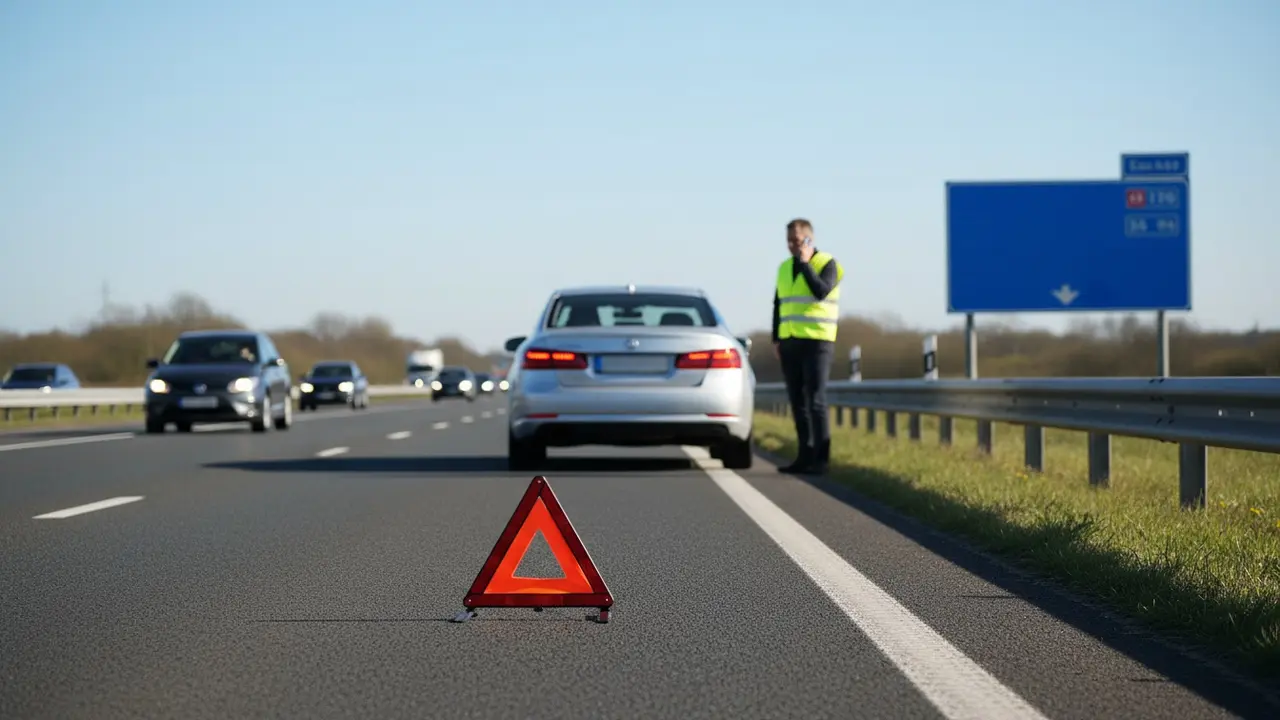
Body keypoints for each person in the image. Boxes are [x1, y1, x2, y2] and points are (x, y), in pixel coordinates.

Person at [772, 218, 844, 474]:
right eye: (789, 240)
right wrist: (776, 339)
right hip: (790, 341)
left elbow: (821, 291)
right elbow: (778, 304)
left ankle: (821, 460)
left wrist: (805, 264)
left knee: (815, 400)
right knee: (797, 401)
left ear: (808, 239)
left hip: (817, 341)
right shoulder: (783, 268)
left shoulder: (827, 263)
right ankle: (804, 456)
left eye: (797, 239)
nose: (792, 245)